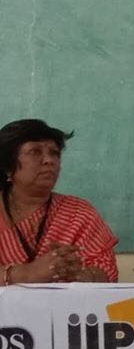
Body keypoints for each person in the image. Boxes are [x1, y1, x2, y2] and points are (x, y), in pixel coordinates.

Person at [0, 119, 118, 285]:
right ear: (7, 166)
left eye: (54, 153)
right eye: (35, 152)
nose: (49, 160)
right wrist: (27, 274)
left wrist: (80, 274)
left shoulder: (79, 213)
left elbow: (108, 271)